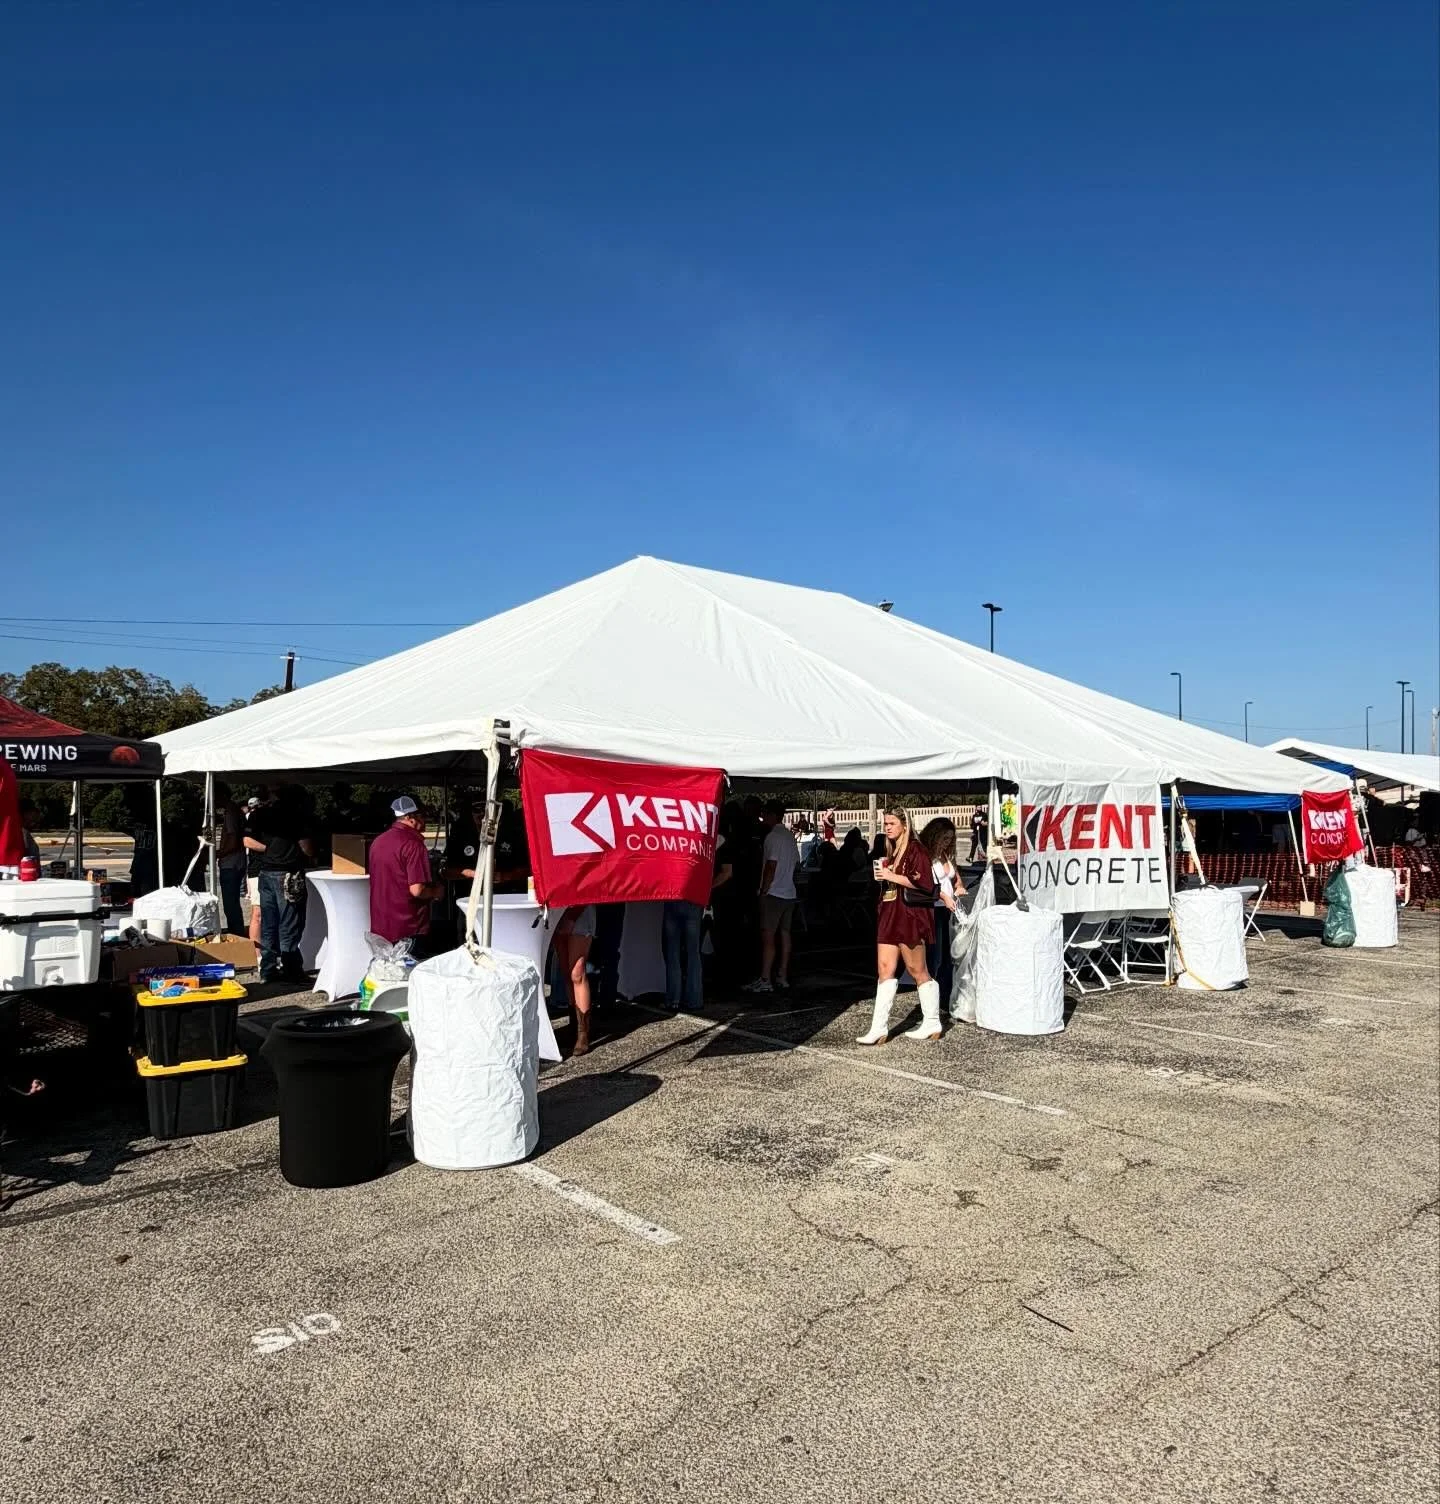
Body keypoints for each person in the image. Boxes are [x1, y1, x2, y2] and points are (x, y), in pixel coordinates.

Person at [857, 808, 940, 1045]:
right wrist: (885, 875)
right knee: (885, 969)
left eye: (892, 823)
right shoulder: (892, 851)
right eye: (885, 824)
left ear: (905, 824)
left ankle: (932, 1021)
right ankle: (878, 1027)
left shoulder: (916, 850)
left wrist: (891, 876)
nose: (887, 828)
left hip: (909, 916)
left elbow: (924, 883)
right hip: (890, 913)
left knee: (917, 969)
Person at [244, 786, 315, 985]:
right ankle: (291, 969)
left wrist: (269, 850)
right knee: (289, 923)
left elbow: (247, 839)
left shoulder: (260, 814)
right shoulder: (297, 815)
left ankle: (268, 969)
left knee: (269, 923)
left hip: (265, 872)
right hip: (288, 873)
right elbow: (306, 847)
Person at [663, 833, 733, 1012]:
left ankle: (673, 999)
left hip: (674, 893)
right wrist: (707, 887)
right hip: (696, 897)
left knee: (673, 951)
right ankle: (694, 999)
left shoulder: (673, 836)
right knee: (693, 952)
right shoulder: (715, 839)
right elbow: (727, 872)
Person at [369, 796, 446, 950]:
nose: (425, 820)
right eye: (422, 815)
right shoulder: (413, 844)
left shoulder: (378, 842)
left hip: (380, 925)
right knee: (412, 964)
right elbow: (417, 890)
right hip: (409, 928)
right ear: (410, 818)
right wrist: (436, 892)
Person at [745, 802, 799, 994]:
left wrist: (764, 890)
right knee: (785, 934)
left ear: (772, 815)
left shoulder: (772, 837)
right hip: (789, 892)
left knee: (768, 936)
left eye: (766, 814)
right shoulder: (789, 836)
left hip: (774, 893)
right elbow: (796, 863)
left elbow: (771, 865)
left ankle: (765, 978)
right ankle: (782, 975)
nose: (763, 817)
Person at [919, 817, 964, 1008]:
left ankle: (945, 997)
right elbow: (925, 884)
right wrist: (944, 896)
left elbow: (956, 879)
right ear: (934, 835)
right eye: (944, 838)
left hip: (949, 909)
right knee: (934, 955)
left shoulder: (946, 855)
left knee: (948, 955)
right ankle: (931, 998)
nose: (947, 842)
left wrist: (959, 887)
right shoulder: (925, 856)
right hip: (933, 909)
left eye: (950, 839)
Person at [553, 904, 596, 1055]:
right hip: (557, 911)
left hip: (580, 910)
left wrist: (572, 917)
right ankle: (574, 1025)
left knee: (577, 973)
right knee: (566, 972)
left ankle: (583, 1032)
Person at [213, 782, 247, 936]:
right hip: (233, 862)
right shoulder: (232, 811)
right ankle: (236, 931)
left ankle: (236, 933)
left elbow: (233, 840)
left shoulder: (231, 812)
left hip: (231, 863)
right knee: (231, 902)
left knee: (230, 903)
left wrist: (219, 853)